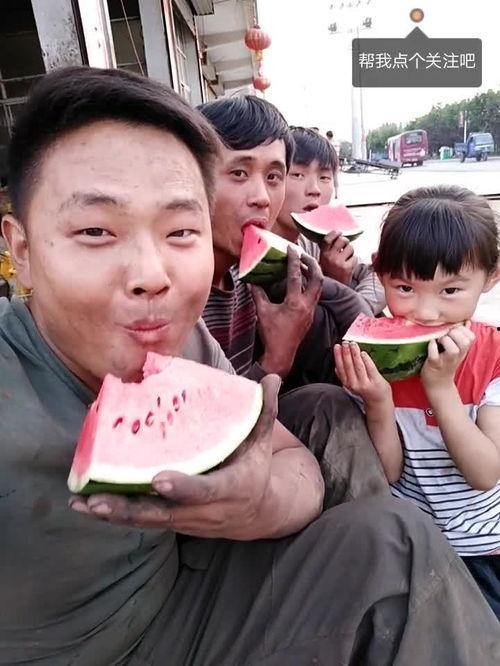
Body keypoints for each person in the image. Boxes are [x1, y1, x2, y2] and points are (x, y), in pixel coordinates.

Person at [1, 67, 499, 665]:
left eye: (179, 231)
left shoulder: (182, 339)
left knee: (397, 538)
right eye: (96, 231)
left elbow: (292, 459)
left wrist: (256, 502)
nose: (152, 275)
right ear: (21, 250)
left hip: (187, 594)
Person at [198, 97, 385, 501]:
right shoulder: (177, 288)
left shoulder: (260, 266)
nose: (262, 197)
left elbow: (363, 284)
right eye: (239, 172)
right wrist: (277, 357)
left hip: (261, 408)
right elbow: (205, 427)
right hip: (206, 450)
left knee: (328, 402)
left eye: (274, 177)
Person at [334, 185, 500, 618]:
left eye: (450, 290)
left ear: (491, 277)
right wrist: (378, 402)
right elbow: (388, 473)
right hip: (413, 545)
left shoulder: (495, 357)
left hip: (481, 549)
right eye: (405, 287)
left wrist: (441, 388)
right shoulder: (375, 359)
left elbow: (485, 473)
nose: (425, 313)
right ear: (380, 272)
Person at [273, 126, 386, 315]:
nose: (315, 189)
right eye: (298, 175)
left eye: (325, 177)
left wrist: (358, 308)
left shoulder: (316, 242)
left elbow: (380, 277)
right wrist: (334, 284)